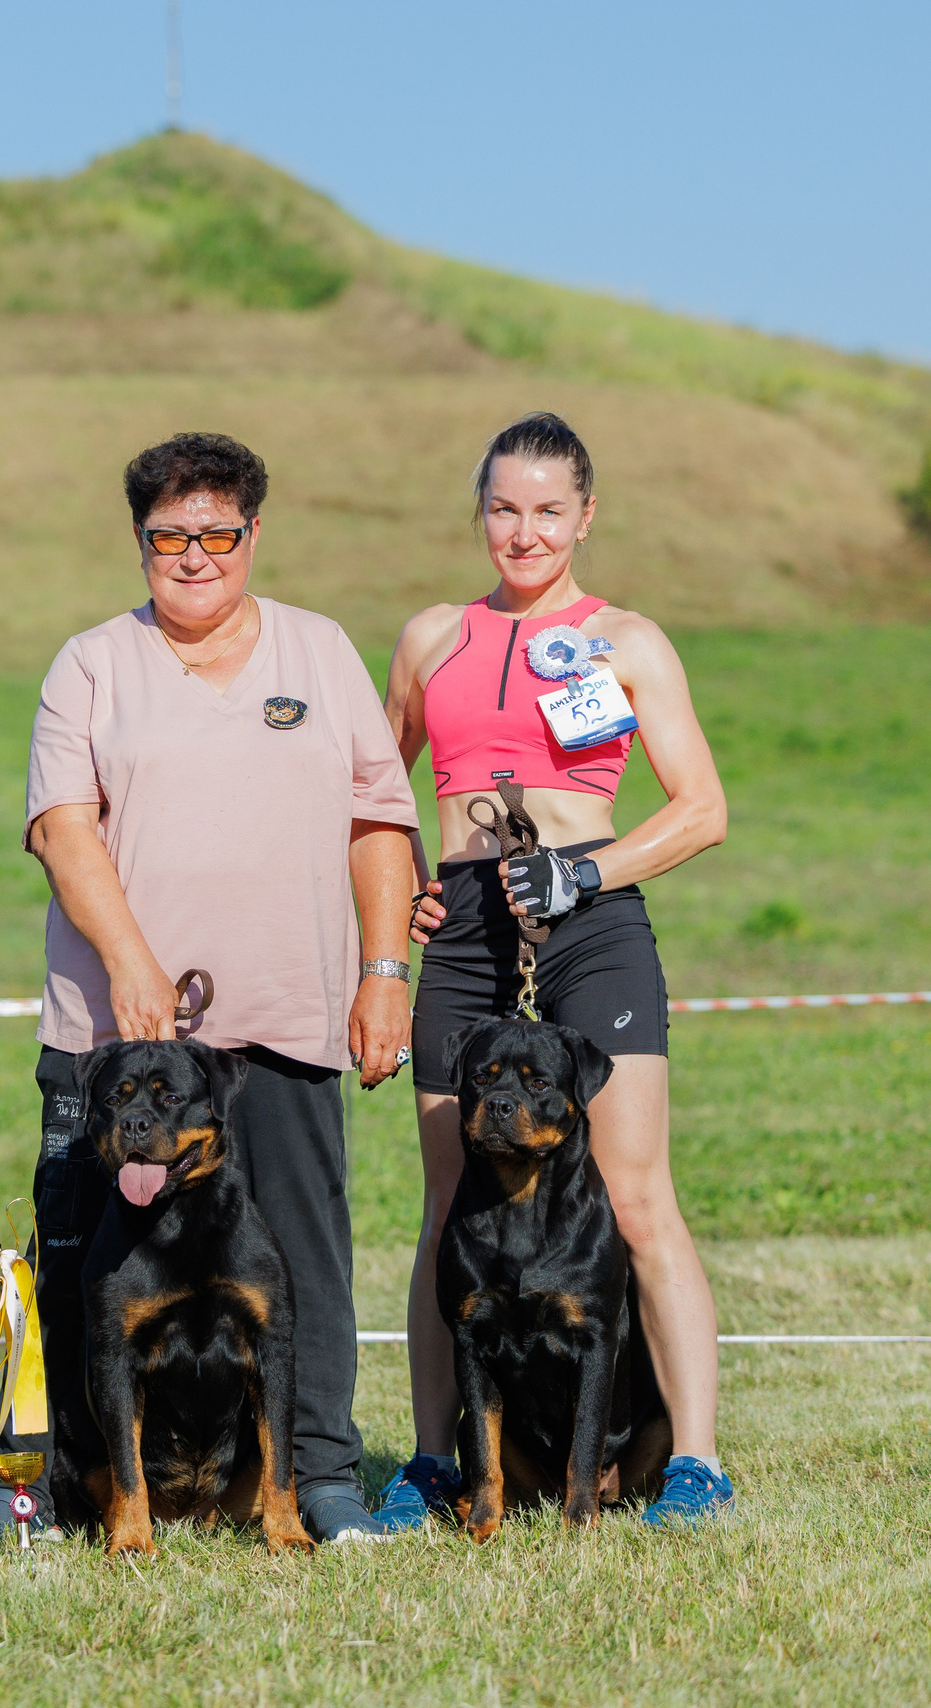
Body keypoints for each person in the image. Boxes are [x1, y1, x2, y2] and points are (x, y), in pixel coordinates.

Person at [25, 431, 420, 1544]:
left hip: (285, 1022)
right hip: (115, 1043)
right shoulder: (91, 662)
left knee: (301, 1262)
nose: (193, 555)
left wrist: (384, 973)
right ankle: (92, 1486)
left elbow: (379, 820)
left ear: (252, 532)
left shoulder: (319, 651)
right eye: (168, 536)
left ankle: (319, 1476)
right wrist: (131, 964)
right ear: (139, 540)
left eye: (216, 533)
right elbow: (63, 829)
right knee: (84, 1278)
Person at [374, 412, 732, 1530]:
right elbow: (378, 803)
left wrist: (586, 874)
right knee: (447, 1204)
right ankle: (434, 1465)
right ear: (478, 511)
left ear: (584, 516)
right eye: (501, 508)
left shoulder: (626, 637)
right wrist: (400, 908)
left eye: (545, 510)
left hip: (591, 916)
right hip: (465, 926)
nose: (521, 532)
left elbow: (702, 810)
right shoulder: (431, 635)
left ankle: (694, 1466)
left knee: (634, 1199)